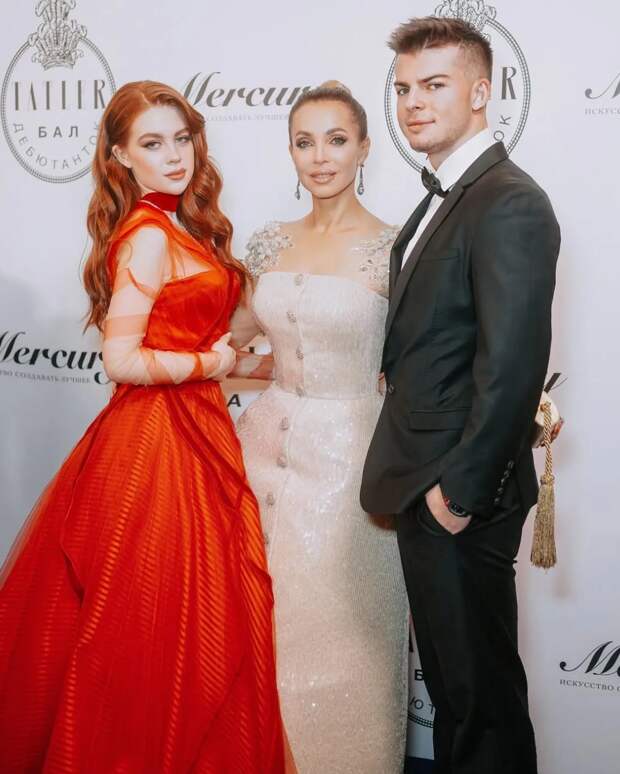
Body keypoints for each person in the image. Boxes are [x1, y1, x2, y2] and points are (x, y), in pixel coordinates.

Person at [0, 81, 284, 774]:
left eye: (181, 139)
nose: (175, 155)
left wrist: (273, 364)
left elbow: (206, 345)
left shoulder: (181, 226)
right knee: (153, 622)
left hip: (195, 429)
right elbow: (121, 360)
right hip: (154, 448)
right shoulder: (148, 237)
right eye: (153, 144)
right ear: (121, 157)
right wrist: (214, 362)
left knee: (186, 620)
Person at [362, 17, 561, 774]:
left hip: (460, 493)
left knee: (482, 706)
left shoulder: (508, 201)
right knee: (456, 697)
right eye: (403, 88)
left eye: (434, 85)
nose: (413, 103)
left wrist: (459, 496)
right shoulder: (444, 197)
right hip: (426, 480)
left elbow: (512, 365)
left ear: (481, 93)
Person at [229, 82, 409, 773]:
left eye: (336, 140)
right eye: (305, 142)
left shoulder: (395, 248)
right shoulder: (268, 242)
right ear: (290, 152)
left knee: (342, 632)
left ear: (365, 148)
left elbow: (418, 364)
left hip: (353, 469)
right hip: (258, 460)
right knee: (257, 627)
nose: (321, 156)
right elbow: (235, 345)